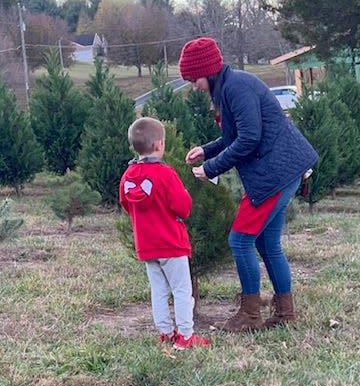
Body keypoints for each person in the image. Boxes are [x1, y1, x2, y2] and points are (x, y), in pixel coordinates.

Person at [178, 37, 319, 332]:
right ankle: (284, 312)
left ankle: (251, 315)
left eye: (195, 80)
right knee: (267, 243)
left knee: (240, 240)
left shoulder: (237, 87)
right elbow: (235, 136)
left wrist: (211, 168)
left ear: (208, 71)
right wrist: (207, 150)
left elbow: (249, 139)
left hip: (275, 174)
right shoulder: (231, 87)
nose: (195, 87)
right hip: (282, 170)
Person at [119, 117, 211, 350]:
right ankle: (186, 336)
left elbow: (125, 203)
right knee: (181, 290)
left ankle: (165, 332)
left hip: (147, 244)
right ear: (160, 144)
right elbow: (183, 207)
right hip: (171, 242)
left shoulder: (128, 176)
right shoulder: (166, 174)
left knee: (158, 290)